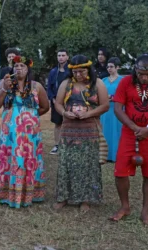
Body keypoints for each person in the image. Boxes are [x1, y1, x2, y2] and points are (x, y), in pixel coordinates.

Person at [110, 54, 148, 226]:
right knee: (120, 172)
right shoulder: (125, 82)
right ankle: (125, 207)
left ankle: (145, 212)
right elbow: (117, 108)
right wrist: (134, 127)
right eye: (141, 74)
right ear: (135, 70)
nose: (145, 78)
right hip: (130, 133)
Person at [0, 55, 49, 208]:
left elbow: (45, 106)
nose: (18, 68)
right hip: (10, 133)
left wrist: (30, 117)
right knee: (11, 159)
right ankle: (9, 193)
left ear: (28, 68)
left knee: (29, 159)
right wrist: (4, 88)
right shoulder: (5, 83)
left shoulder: (36, 87)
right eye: (15, 66)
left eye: (22, 65)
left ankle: (30, 193)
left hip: (31, 134)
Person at [54, 55, 109, 212]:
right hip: (68, 129)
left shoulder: (97, 83)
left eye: (82, 71)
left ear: (89, 70)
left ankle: (85, 199)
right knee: (66, 163)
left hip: (89, 129)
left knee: (88, 164)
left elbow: (105, 105)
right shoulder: (66, 84)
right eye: (75, 72)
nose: (78, 75)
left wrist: (88, 114)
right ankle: (63, 197)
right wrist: (65, 113)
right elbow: (57, 103)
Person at [100, 57, 123, 162]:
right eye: (108, 66)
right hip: (105, 110)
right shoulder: (103, 80)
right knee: (105, 131)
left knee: (117, 131)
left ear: (117, 67)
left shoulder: (123, 80)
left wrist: (114, 97)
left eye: (111, 66)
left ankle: (117, 154)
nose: (109, 68)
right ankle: (105, 155)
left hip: (118, 110)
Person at [47, 49, 70, 155]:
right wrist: (53, 99)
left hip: (69, 102)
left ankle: (68, 145)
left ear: (67, 57)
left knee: (69, 123)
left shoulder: (71, 71)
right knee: (58, 124)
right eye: (59, 55)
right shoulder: (53, 72)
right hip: (56, 102)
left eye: (63, 55)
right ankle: (57, 145)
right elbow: (49, 88)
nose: (61, 57)